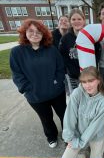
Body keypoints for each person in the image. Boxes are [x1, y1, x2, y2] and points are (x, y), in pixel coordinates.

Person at [10, 19, 66, 148]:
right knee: (46, 118)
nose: (35, 34)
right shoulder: (17, 52)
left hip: (56, 92)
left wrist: (57, 83)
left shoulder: (51, 49)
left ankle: (67, 135)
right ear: (25, 33)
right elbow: (17, 74)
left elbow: (60, 68)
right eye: (31, 31)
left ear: (43, 34)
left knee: (64, 114)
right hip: (35, 95)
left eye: (38, 32)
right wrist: (27, 88)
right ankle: (51, 136)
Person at [59, 66, 104, 158]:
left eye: (91, 81)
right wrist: (69, 138)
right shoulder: (77, 93)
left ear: (98, 80)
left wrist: (80, 143)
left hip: (95, 135)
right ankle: (81, 157)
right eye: (84, 82)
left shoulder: (103, 101)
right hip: (78, 134)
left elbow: (94, 127)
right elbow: (70, 117)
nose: (87, 85)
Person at [59, 9, 85, 92]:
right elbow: (63, 56)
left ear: (83, 20)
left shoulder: (91, 35)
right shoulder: (65, 39)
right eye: (73, 19)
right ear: (70, 21)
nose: (76, 21)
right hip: (74, 76)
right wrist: (71, 70)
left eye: (79, 19)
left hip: (89, 75)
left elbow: (97, 53)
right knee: (76, 97)